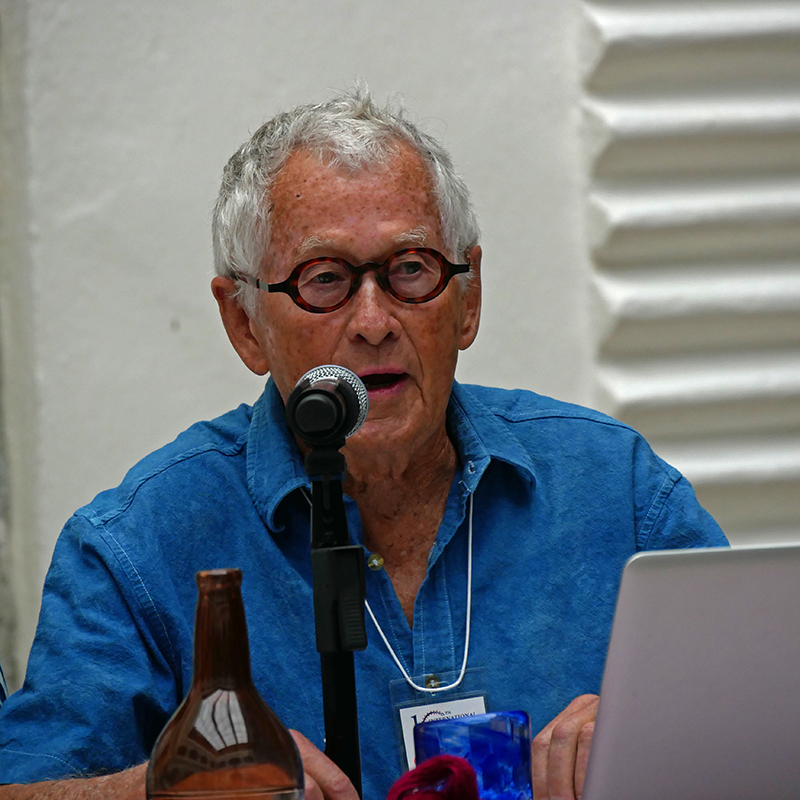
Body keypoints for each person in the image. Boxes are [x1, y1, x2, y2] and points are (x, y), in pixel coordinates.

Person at [0, 88, 727, 800]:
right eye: (326, 281)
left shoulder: (616, 488)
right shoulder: (139, 546)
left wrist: (667, 731)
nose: (375, 321)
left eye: (411, 269)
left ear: (467, 301)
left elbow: (763, 713)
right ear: (245, 324)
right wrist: (156, 792)